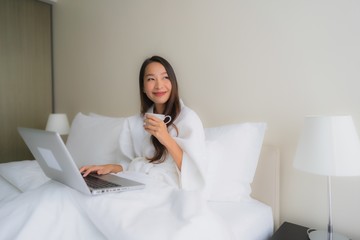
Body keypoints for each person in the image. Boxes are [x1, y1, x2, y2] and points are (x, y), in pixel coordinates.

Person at [80, 56, 207, 190]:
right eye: (151, 79)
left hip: (167, 187)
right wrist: (110, 168)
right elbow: (127, 165)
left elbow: (194, 172)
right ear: (143, 87)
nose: (159, 85)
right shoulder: (133, 123)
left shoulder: (188, 118)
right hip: (137, 182)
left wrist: (165, 138)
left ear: (173, 82)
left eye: (165, 77)